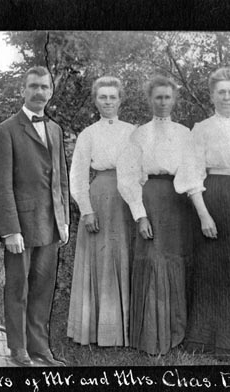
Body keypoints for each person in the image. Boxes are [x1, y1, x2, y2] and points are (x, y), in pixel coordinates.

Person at [176, 67, 230, 358]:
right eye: (221, 92)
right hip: (215, 197)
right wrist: (203, 214)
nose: (226, 97)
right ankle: (210, 339)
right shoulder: (201, 129)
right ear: (212, 95)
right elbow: (191, 174)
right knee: (215, 269)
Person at [0, 66, 70, 367]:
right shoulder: (6, 130)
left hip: (50, 224)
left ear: (51, 91)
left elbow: (60, 178)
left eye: (44, 87)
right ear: (23, 90)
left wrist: (63, 221)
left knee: (43, 288)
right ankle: (18, 347)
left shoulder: (56, 130)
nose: (39, 92)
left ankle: (39, 347)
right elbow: (0, 184)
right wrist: (10, 230)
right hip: (21, 226)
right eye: (33, 86)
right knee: (19, 287)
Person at [117, 76, 195, 355]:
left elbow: (195, 173)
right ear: (150, 100)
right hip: (150, 199)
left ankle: (175, 333)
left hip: (179, 204)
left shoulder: (186, 134)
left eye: (167, 97)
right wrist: (140, 215)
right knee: (152, 259)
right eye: (158, 97)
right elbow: (126, 177)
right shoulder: (139, 134)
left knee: (175, 261)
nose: (163, 102)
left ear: (175, 100)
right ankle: (151, 335)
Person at [67, 76, 136, 347]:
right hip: (100, 197)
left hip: (128, 199)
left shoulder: (133, 131)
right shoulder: (88, 134)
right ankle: (98, 331)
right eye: (103, 97)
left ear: (120, 100)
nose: (108, 102)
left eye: (112, 97)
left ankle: (127, 331)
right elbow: (77, 176)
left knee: (125, 256)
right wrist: (86, 210)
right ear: (96, 101)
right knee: (100, 259)